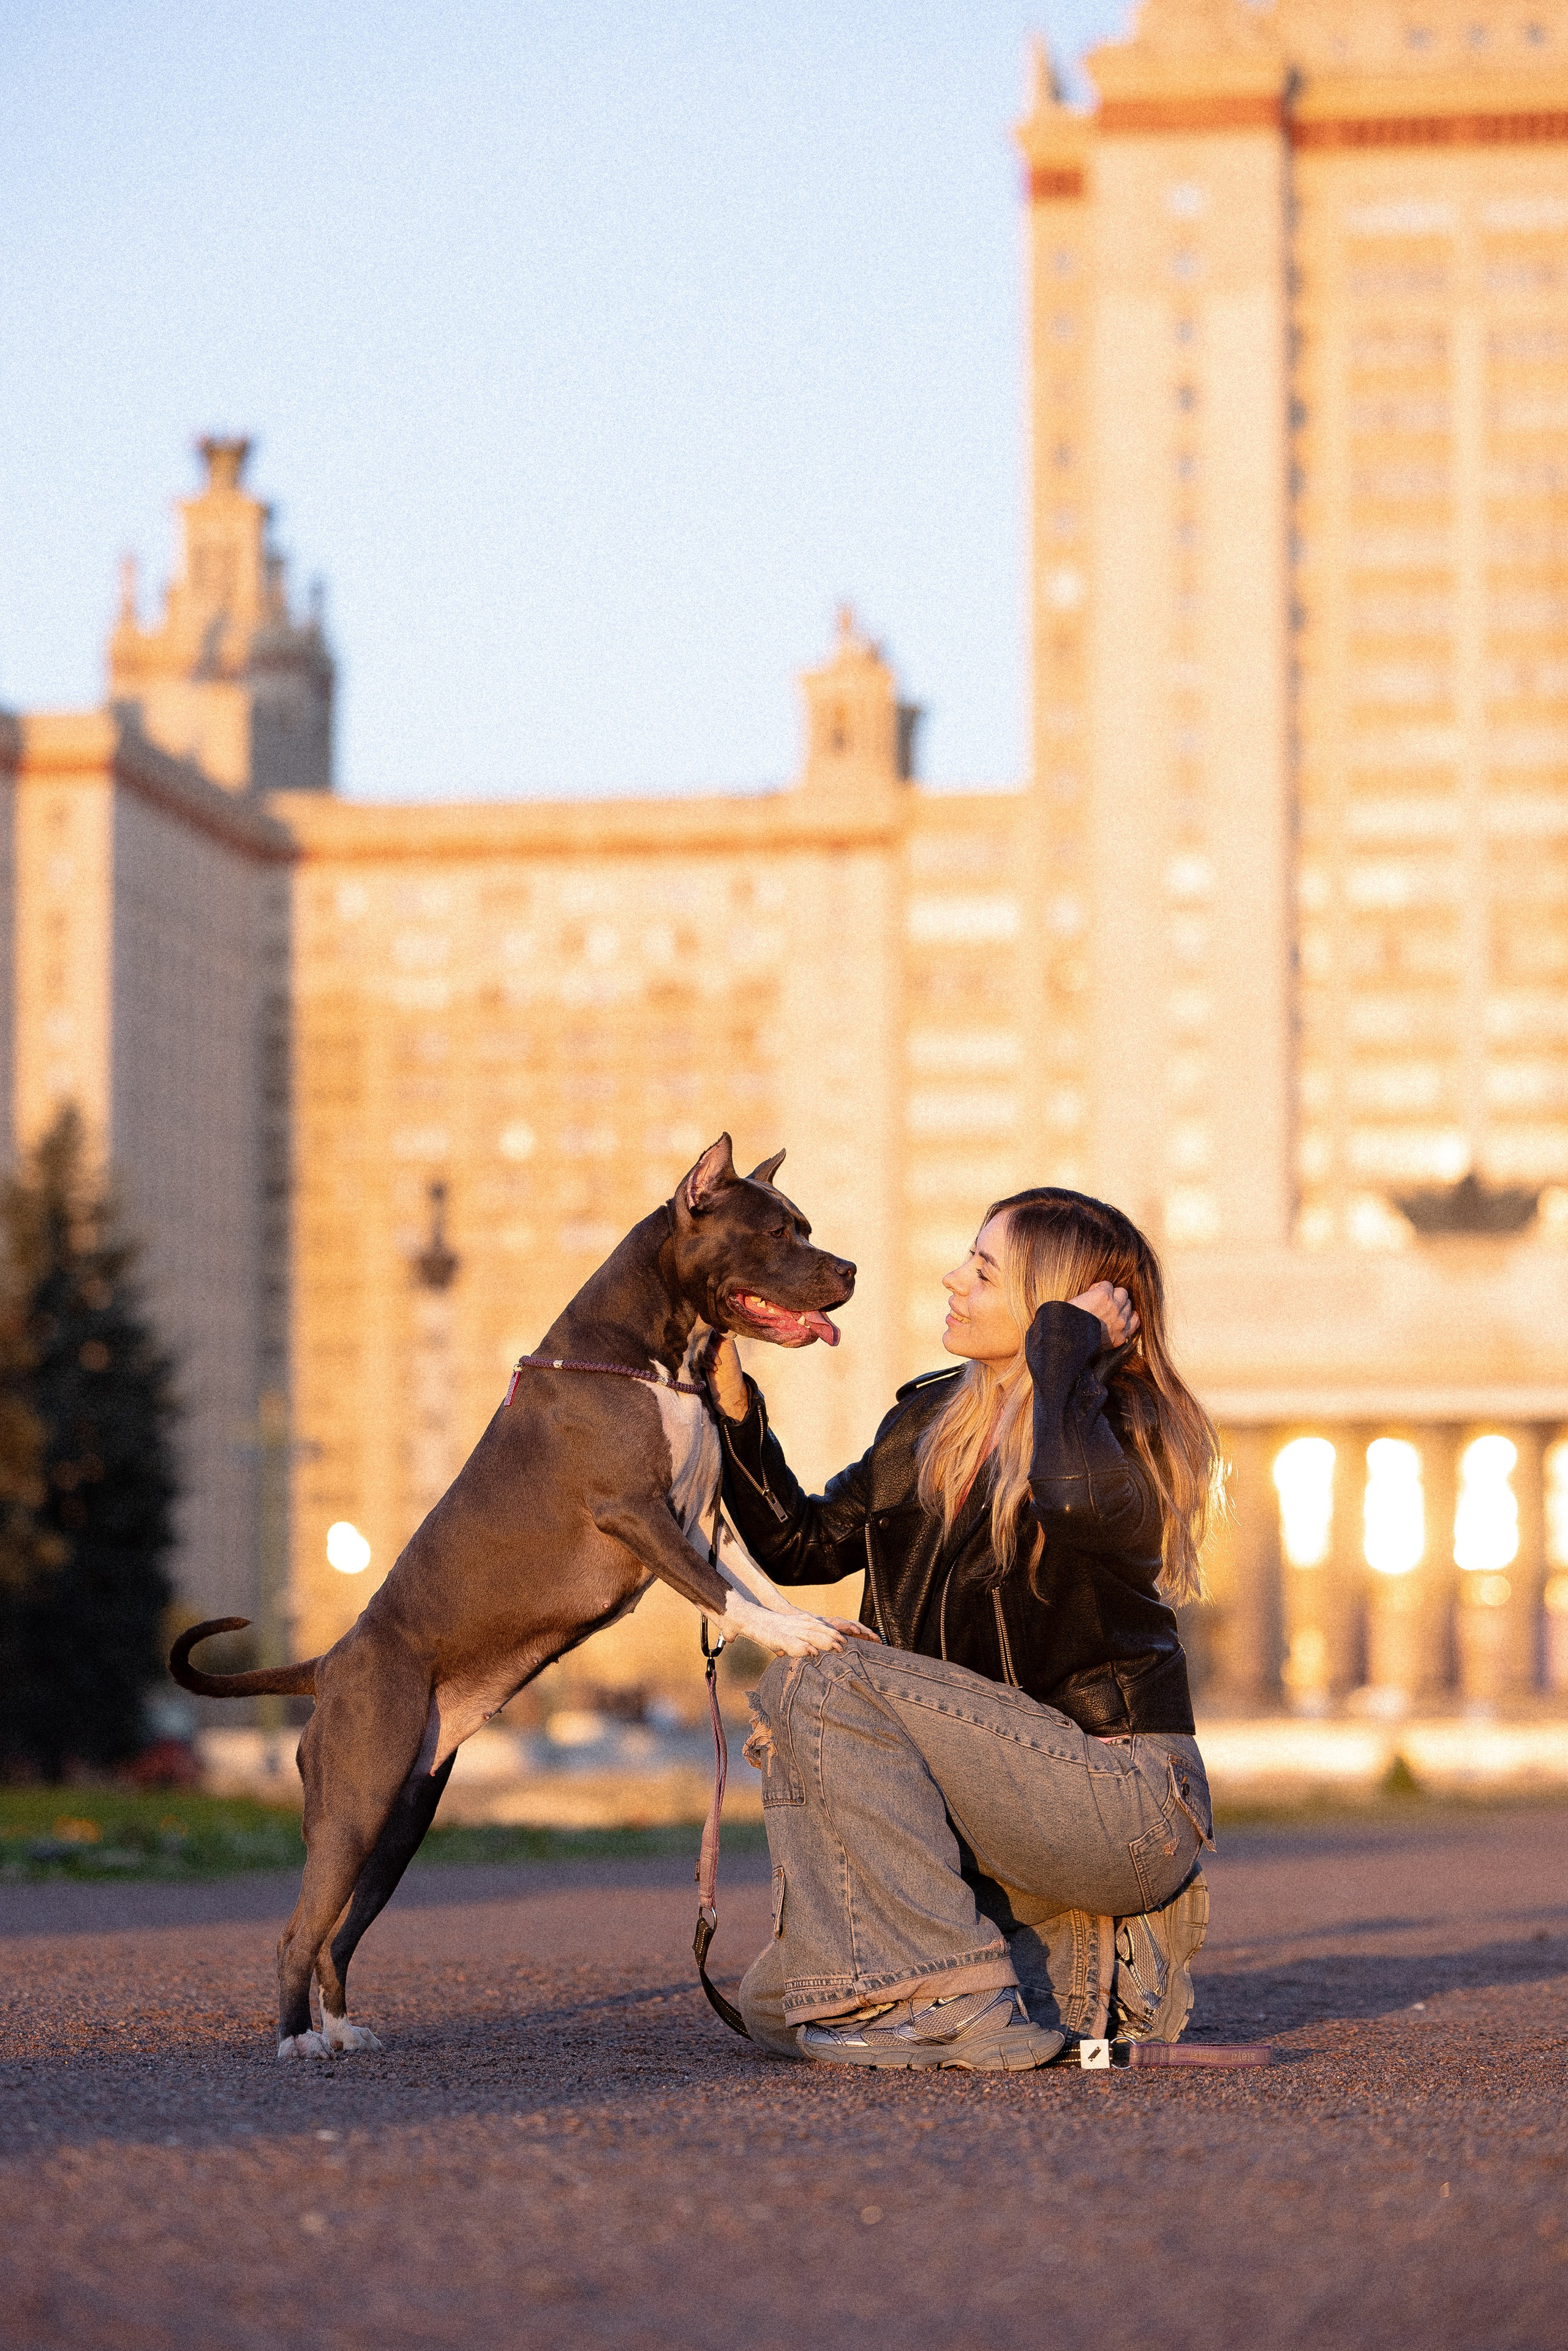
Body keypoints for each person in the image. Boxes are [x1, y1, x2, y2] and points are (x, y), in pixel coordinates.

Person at [704, 1185, 1221, 2071]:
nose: (953, 1278)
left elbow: (1070, 1494)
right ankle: (1077, 1983)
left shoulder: (1123, 1430)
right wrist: (733, 1405)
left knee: (815, 1669)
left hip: (1122, 1797)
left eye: (983, 1270)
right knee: (781, 2002)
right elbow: (802, 1543)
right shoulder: (927, 1424)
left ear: (1051, 1303)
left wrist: (1066, 1352)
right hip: (990, 1801)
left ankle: (971, 2002)